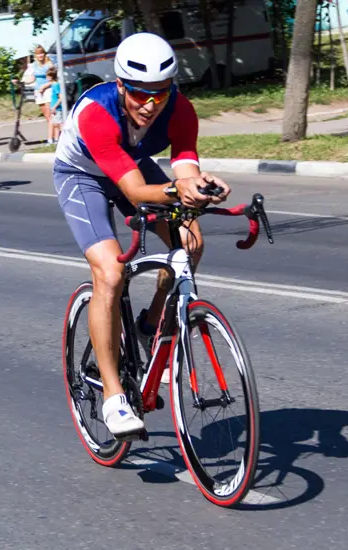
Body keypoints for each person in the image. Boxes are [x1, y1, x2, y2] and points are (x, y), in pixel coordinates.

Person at [52, 32, 230, 438]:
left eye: (160, 93)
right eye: (138, 94)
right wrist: (177, 190)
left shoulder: (181, 110)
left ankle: (150, 325)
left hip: (132, 164)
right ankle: (113, 394)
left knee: (191, 241)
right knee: (110, 273)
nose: (150, 105)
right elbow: (134, 192)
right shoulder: (97, 113)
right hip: (82, 176)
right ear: (120, 86)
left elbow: (184, 169)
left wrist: (199, 186)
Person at [42, 66, 62, 144]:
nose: (46, 78)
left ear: (51, 77)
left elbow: (60, 97)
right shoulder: (53, 85)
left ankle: (64, 137)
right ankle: (56, 140)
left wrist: (54, 107)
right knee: (55, 123)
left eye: (47, 76)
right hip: (54, 107)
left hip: (56, 108)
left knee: (58, 124)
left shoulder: (55, 85)